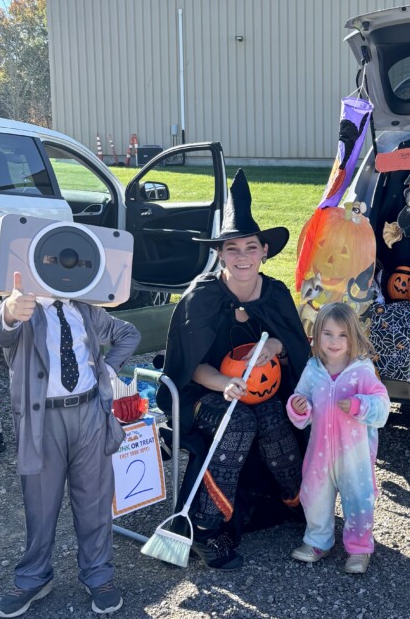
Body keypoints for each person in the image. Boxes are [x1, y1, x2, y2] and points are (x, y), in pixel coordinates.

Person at [157, 169, 311, 571]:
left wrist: (275, 345)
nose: (241, 257)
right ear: (220, 254)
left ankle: (296, 502)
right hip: (199, 398)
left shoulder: (275, 295)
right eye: (231, 248)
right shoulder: (202, 298)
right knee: (238, 420)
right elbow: (188, 367)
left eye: (250, 247)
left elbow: (293, 348)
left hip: (260, 392)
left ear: (264, 251)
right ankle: (206, 529)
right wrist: (225, 384)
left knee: (274, 414)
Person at [0, 273, 140, 618]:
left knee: (95, 498)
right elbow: (0, 331)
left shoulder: (84, 309)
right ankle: (33, 576)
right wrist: (11, 310)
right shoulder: (24, 309)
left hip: (88, 412)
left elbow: (128, 333)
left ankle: (98, 574)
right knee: (40, 502)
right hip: (43, 421)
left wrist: (109, 370)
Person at [287, 302, 390, 574]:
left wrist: (359, 406)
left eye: (342, 335)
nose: (334, 341)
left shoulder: (362, 371)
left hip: (353, 455)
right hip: (319, 451)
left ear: (353, 337)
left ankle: (359, 548)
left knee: (358, 499)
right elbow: (302, 400)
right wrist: (300, 407)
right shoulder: (313, 369)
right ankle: (318, 541)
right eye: (328, 334)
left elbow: (382, 407)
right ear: (317, 335)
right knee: (314, 495)